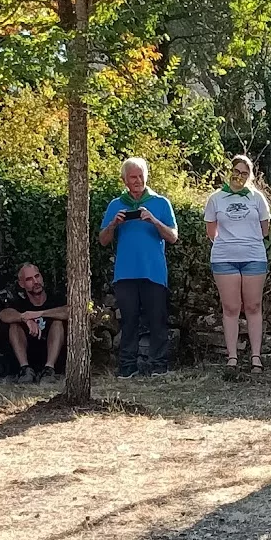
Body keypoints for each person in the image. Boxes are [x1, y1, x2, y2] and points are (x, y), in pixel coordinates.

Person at [98, 156, 178, 378]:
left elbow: (173, 237)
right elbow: (103, 240)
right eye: (133, 177)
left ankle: (159, 366)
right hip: (125, 274)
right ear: (124, 179)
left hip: (153, 272)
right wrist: (114, 223)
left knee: (157, 320)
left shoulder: (161, 203)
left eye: (141, 175)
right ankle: (127, 367)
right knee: (129, 321)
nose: (138, 180)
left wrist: (153, 220)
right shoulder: (116, 205)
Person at [204, 154, 271, 379]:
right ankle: (232, 357)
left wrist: (245, 241)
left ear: (249, 176)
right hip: (224, 258)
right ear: (229, 171)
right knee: (231, 308)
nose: (239, 176)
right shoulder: (216, 199)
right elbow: (211, 231)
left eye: (244, 173)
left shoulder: (257, 198)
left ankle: (256, 356)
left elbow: (264, 229)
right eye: (236, 171)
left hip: (253, 256)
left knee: (253, 306)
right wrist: (229, 244)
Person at [0, 263, 68, 383]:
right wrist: (23, 317)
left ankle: (49, 370)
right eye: (29, 279)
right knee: (14, 326)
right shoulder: (20, 302)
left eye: (37, 276)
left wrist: (39, 313)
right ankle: (25, 370)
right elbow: (3, 314)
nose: (35, 281)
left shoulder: (55, 298)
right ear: (22, 284)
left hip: (52, 356)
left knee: (57, 323)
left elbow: (69, 311)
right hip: (28, 354)